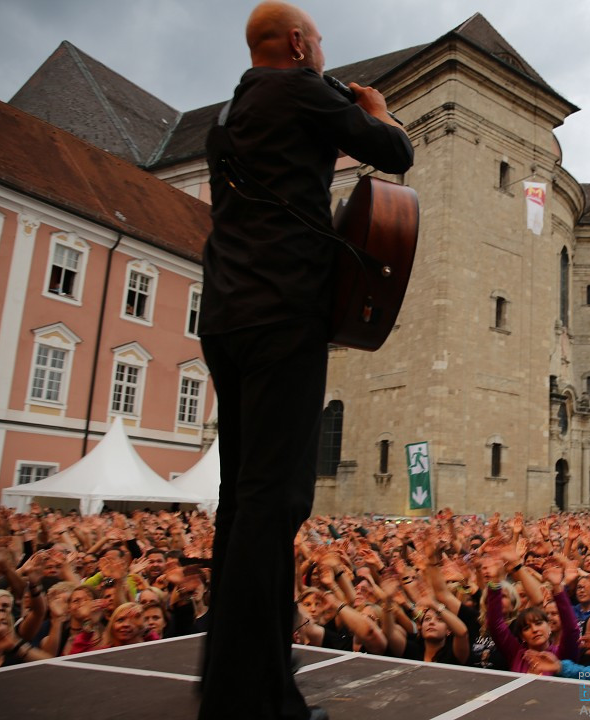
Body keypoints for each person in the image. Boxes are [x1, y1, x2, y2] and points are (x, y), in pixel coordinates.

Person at [196, 2, 413, 719]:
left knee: (242, 501)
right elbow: (395, 154)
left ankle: (230, 680)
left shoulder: (225, 120)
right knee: (276, 500)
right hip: (282, 315)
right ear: (296, 43)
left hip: (225, 317)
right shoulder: (301, 88)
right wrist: (379, 109)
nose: (323, 50)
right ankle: (253, 701)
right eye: (319, 40)